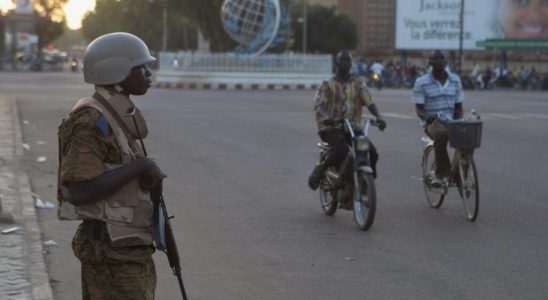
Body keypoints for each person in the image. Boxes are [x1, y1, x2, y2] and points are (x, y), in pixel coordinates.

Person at [57, 32, 166, 299]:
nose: (148, 73)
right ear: (116, 71)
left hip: (128, 248)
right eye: (139, 67)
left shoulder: (116, 114)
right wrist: (140, 167)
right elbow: (79, 190)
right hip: (110, 254)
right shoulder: (91, 120)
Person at [308, 50, 387, 190]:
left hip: (353, 127)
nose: (345, 64)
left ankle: (367, 182)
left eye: (348, 61)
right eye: (342, 61)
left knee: (372, 153)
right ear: (336, 64)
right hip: (331, 128)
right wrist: (328, 118)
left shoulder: (359, 84)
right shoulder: (328, 84)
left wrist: (379, 117)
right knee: (342, 150)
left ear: (351, 64)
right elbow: (319, 106)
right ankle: (321, 169)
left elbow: (370, 103)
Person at [412, 50, 464, 187]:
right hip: (432, 122)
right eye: (436, 58)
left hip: (451, 121)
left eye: (442, 58)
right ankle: (441, 174)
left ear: (446, 62)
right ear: (431, 62)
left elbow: (459, 106)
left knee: (467, 137)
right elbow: (419, 109)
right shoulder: (421, 82)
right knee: (441, 133)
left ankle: (457, 174)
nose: (440, 60)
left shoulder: (455, 80)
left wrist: (459, 118)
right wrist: (426, 116)